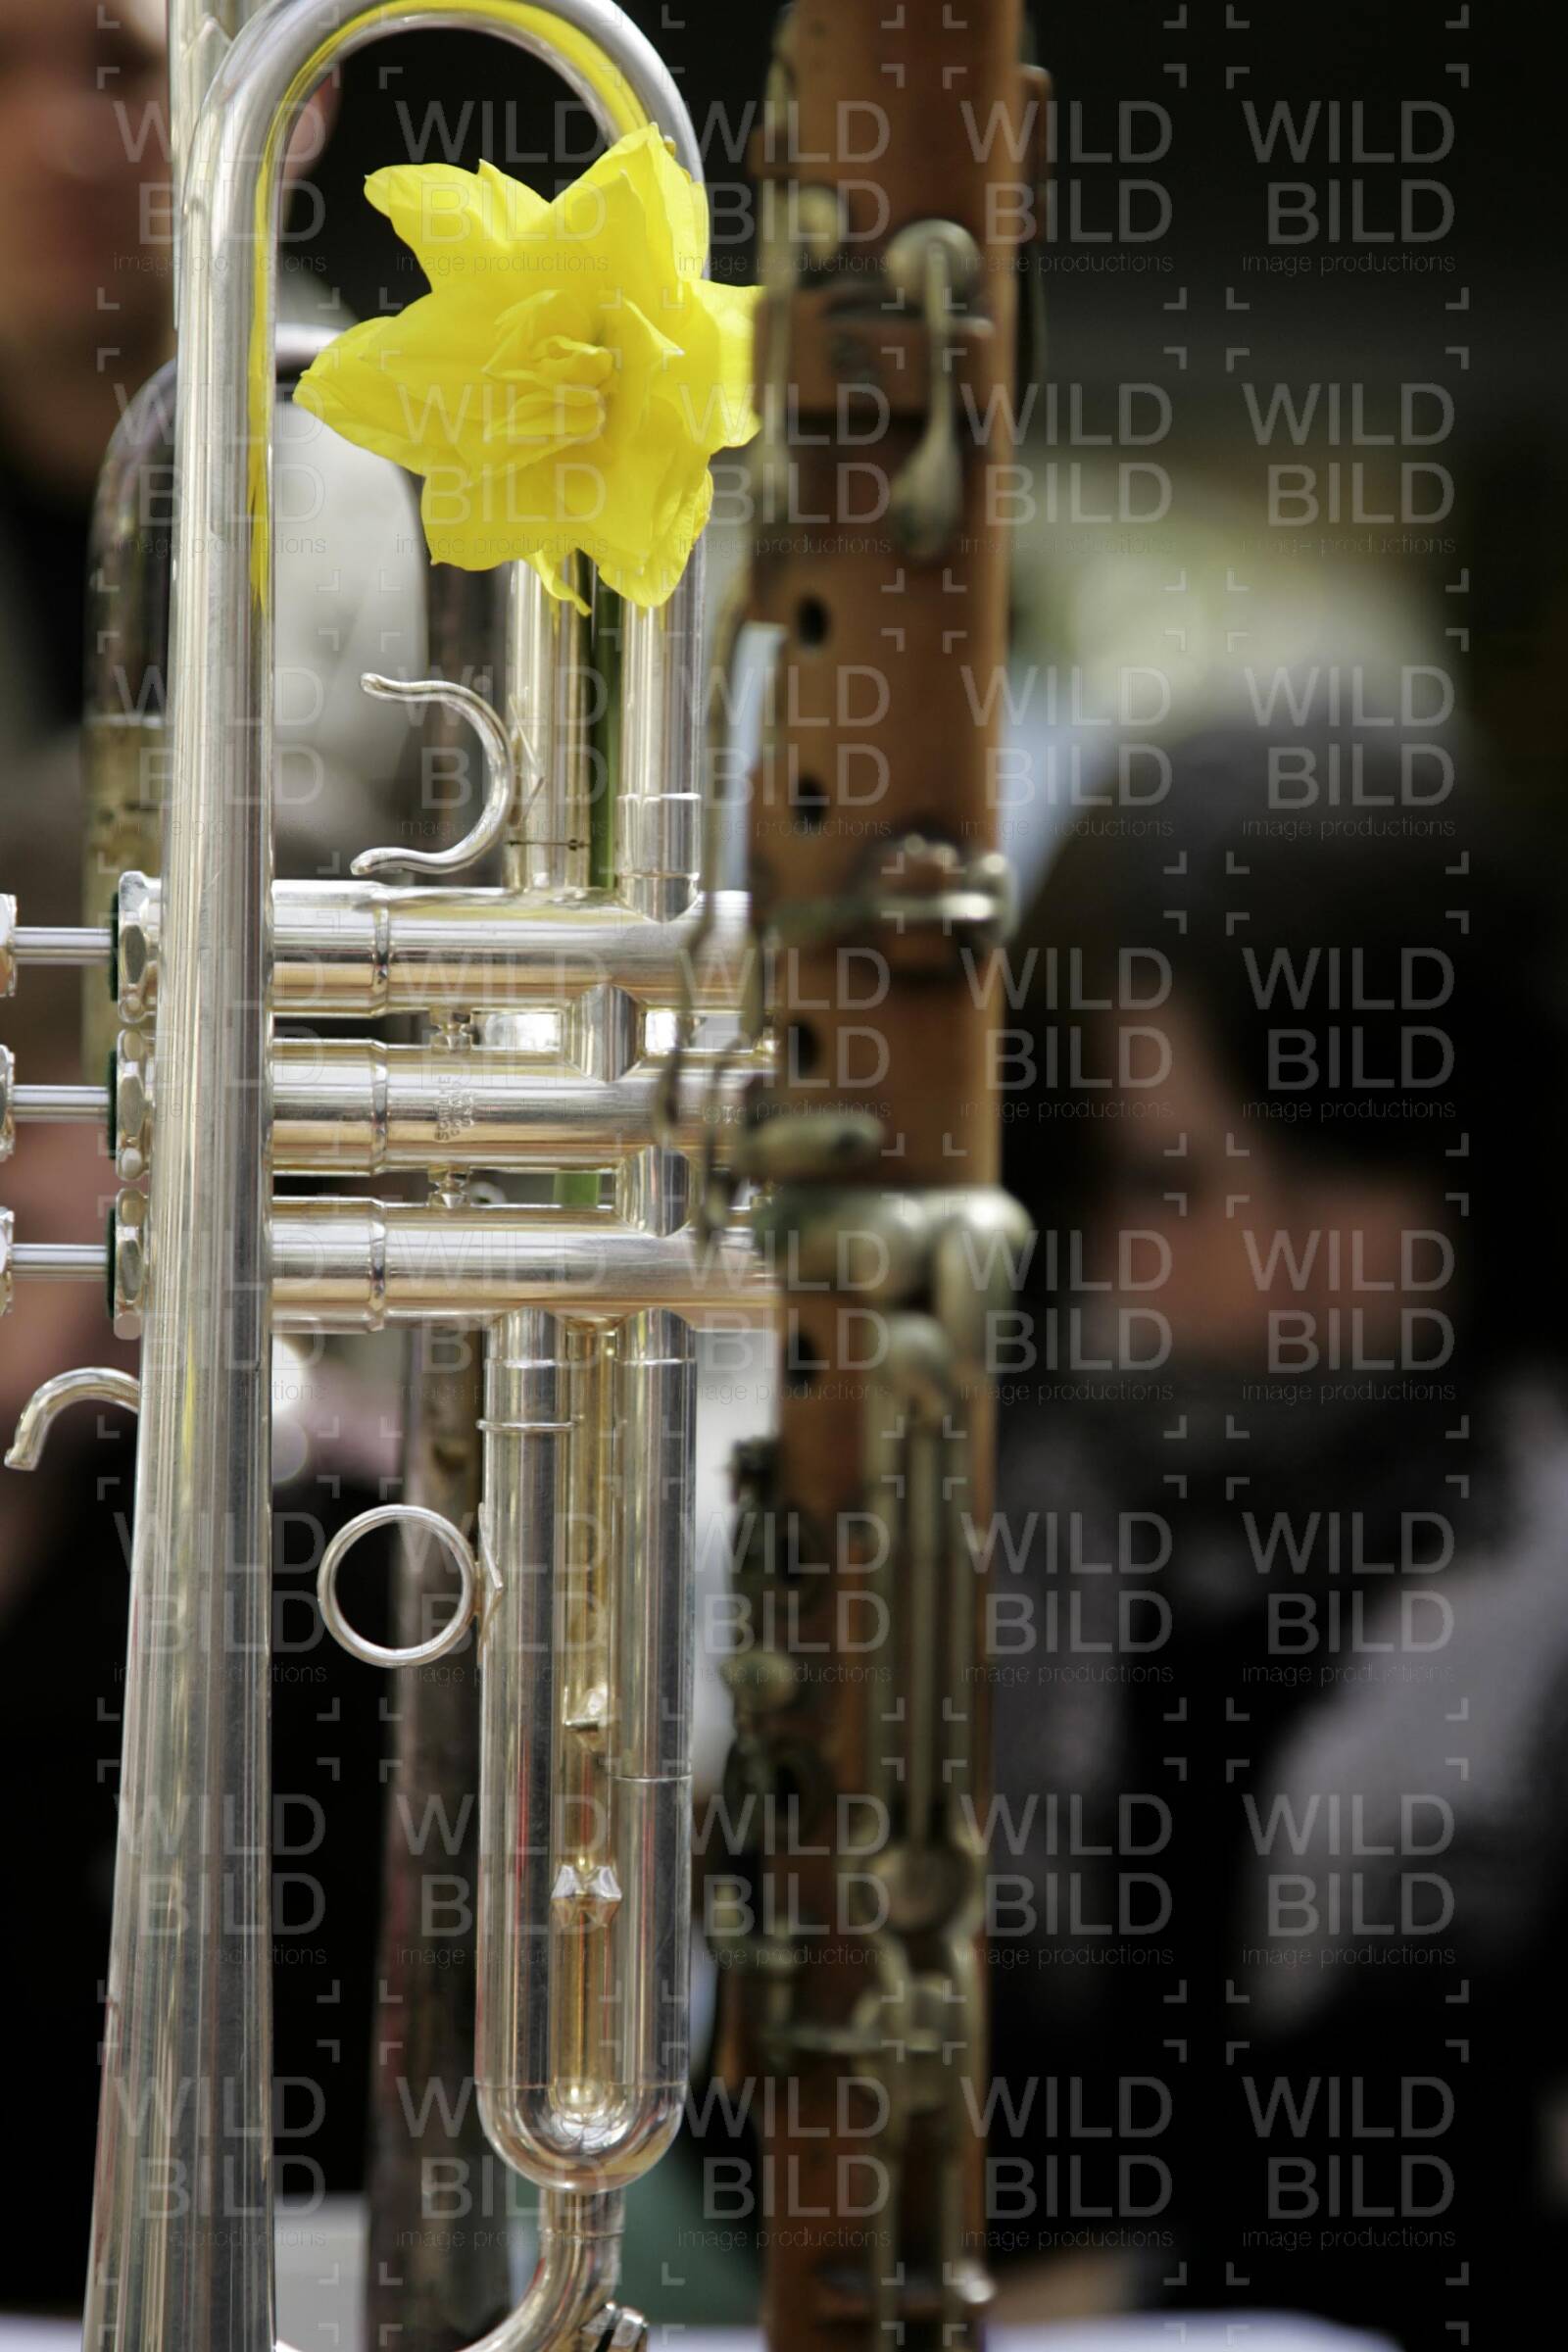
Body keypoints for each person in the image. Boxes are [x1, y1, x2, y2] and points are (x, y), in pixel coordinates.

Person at [986, 730, 1568, 2347]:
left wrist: (1156, 2290)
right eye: (1168, 1183)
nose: (1259, 1267)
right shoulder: (961, 1499)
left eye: (1323, 1166)